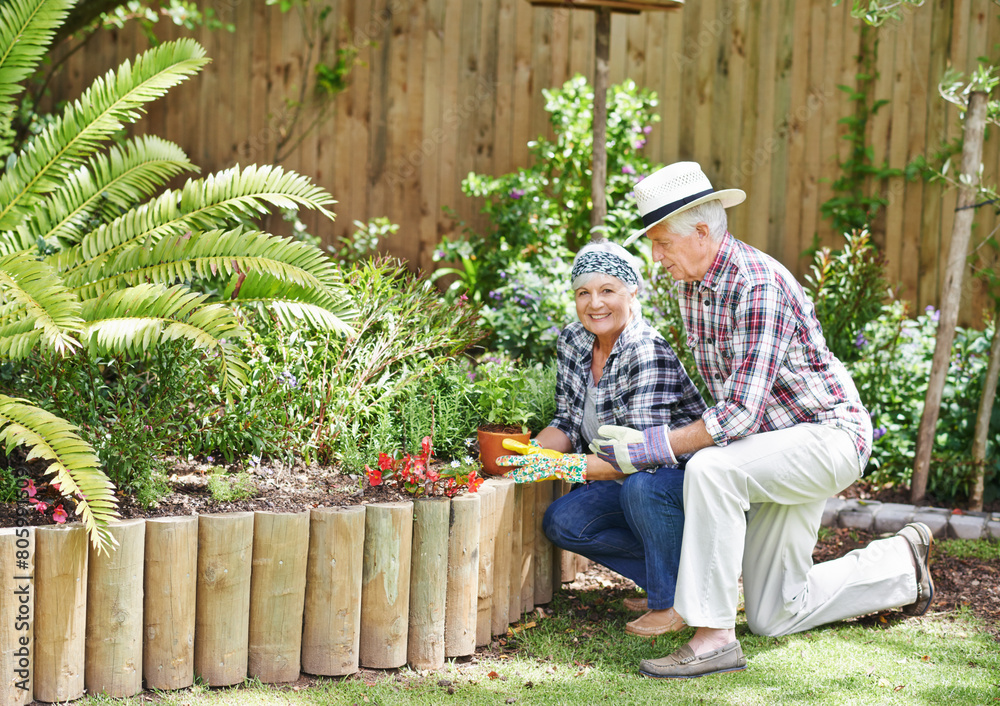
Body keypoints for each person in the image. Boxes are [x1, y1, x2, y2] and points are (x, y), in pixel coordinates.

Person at [592, 161, 934, 678]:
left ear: (701, 232)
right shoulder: (692, 288)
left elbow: (737, 415)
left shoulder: (757, 285)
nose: (655, 257)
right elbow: (726, 403)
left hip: (827, 437)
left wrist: (650, 447)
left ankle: (714, 639)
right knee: (776, 613)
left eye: (662, 243)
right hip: (773, 447)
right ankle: (902, 566)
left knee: (712, 469)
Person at [497, 240, 706, 636]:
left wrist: (564, 466)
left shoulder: (646, 351)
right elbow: (567, 420)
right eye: (583, 292)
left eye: (607, 290)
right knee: (565, 522)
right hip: (622, 474)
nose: (595, 304)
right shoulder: (574, 340)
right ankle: (676, 581)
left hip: (676, 480)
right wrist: (532, 452)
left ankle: (670, 605)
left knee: (641, 489)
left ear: (632, 292)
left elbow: (643, 458)